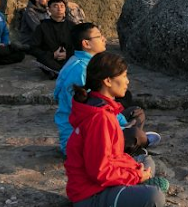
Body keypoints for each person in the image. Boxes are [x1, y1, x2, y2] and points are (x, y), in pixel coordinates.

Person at [64, 52, 169, 207]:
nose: (127, 81)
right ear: (107, 81)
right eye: (124, 76)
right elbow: (99, 172)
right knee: (154, 198)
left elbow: (112, 157)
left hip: (99, 183)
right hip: (91, 196)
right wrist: (135, 175)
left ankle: (137, 184)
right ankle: (139, 187)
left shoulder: (100, 109)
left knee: (145, 161)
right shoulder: (100, 118)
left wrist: (134, 170)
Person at [54, 22, 159, 155]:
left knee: (136, 113)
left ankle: (131, 141)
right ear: (86, 43)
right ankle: (131, 144)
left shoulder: (85, 62)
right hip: (82, 139)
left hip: (100, 119)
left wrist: (121, 123)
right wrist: (119, 127)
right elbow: (90, 114)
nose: (104, 39)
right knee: (136, 134)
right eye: (98, 36)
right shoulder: (80, 70)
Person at [31, 0, 75, 75]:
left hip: (68, 57)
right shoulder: (42, 26)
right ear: (49, 9)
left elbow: (79, 44)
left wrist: (68, 54)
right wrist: (53, 55)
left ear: (65, 9)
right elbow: (33, 48)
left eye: (62, 6)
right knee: (41, 59)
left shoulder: (72, 25)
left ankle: (57, 72)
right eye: (55, 6)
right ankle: (62, 71)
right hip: (51, 58)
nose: (59, 9)